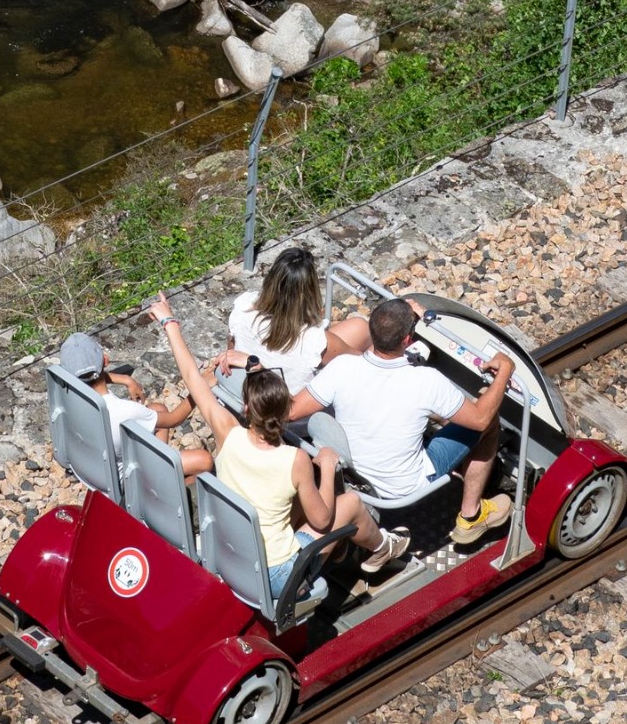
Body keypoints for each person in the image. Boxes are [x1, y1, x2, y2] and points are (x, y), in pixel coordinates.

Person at [149, 299, 409, 580]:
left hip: (228, 556)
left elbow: (191, 375)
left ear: (246, 408)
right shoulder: (295, 460)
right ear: (288, 412)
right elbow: (321, 520)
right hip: (276, 576)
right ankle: (384, 546)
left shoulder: (228, 433)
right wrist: (327, 465)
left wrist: (170, 323)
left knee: (296, 499)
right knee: (350, 503)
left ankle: (339, 552)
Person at [288, 296, 515, 550]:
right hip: (405, 486)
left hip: (353, 473)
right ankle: (471, 516)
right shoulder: (427, 381)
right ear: (408, 340)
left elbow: (293, 410)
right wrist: (504, 370)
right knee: (489, 420)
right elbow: (480, 419)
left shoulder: (341, 368)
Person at [214, 244, 371, 407]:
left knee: (354, 329)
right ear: (310, 292)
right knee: (360, 330)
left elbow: (231, 352)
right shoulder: (314, 340)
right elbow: (364, 367)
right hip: (287, 412)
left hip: (241, 395)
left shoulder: (242, 307)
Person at [57, 330, 212, 479]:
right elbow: (174, 419)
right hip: (129, 481)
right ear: (106, 360)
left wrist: (126, 379)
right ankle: (168, 488)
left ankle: (162, 468)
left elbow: (87, 377)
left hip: (96, 474)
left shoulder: (63, 401)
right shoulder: (124, 411)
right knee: (204, 460)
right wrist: (200, 387)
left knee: (157, 409)